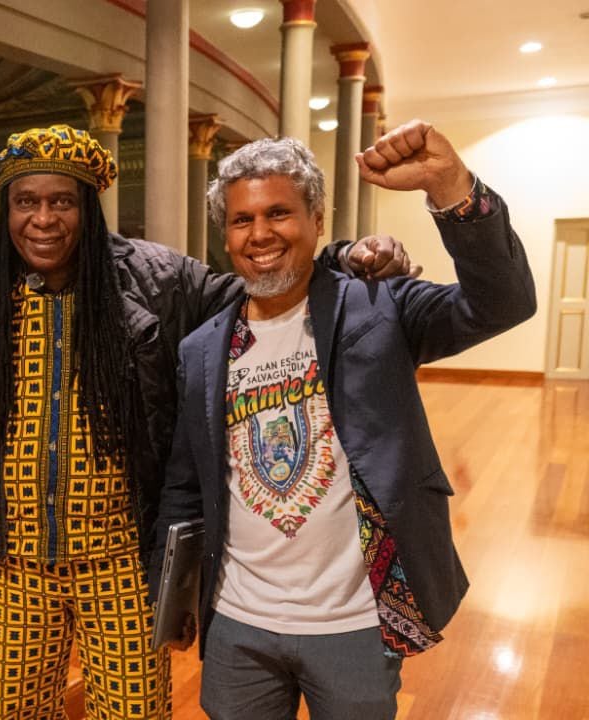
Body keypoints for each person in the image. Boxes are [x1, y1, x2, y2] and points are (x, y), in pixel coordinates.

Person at [0, 125, 414, 720]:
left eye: (61, 201)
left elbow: (259, 283)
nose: (43, 219)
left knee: (132, 710)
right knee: (18, 709)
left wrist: (340, 256)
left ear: (88, 207)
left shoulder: (156, 277)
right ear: (7, 207)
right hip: (13, 560)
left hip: (123, 559)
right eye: (25, 202)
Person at [152, 120, 536, 719]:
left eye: (278, 213)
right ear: (225, 234)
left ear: (318, 220)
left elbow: (502, 302)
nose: (260, 234)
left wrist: (452, 188)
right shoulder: (201, 348)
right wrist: (173, 596)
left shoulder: (378, 306)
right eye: (242, 220)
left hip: (355, 620)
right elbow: (186, 483)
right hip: (237, 622)